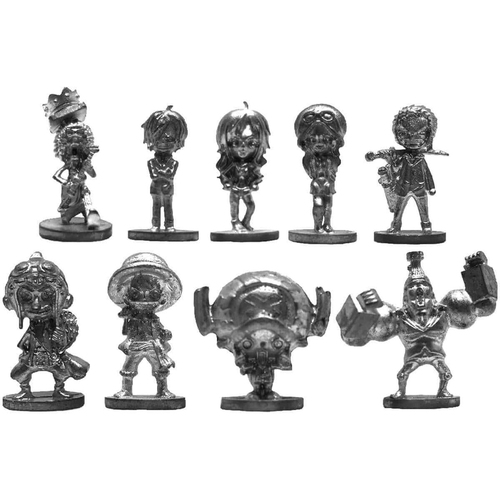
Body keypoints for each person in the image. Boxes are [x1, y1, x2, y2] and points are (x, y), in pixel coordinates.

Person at [3, 252, 89, 400]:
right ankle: (25, 390)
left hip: (52, 356)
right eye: (27, 297)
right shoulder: (31, 331)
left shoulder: (59, 325)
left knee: (61, 373)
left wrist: (61, 341)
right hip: (32, 357)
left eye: (46, 296)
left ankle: (59, 389)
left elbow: (63, 341)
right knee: (18, 374)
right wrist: (25, 350)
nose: (36, 305)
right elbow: (25, 343)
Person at [216, 102, 270, 232]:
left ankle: (246, 221)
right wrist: (227, 183)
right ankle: (235, 222)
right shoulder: (232, 165)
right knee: (234, 206)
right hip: (235, 189)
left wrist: (254, 184)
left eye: (251, 143)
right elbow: (225, 174)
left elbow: (256, 175)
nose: (243, 148)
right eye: (236, 143)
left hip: (246, 189)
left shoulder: (251, 165)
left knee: (251, 206)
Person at [142, 106, 188, 231]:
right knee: (156, 207)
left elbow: (170, 175)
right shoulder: (151, 162)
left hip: (168, 190)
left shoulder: (173, 162)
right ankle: (155, 225)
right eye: (159, 139)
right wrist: (164, 173)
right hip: (155, 190)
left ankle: (169, 225)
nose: (163, 143)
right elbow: (154, 175)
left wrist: (161, 173)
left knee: (168, 208)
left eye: (169, 139)